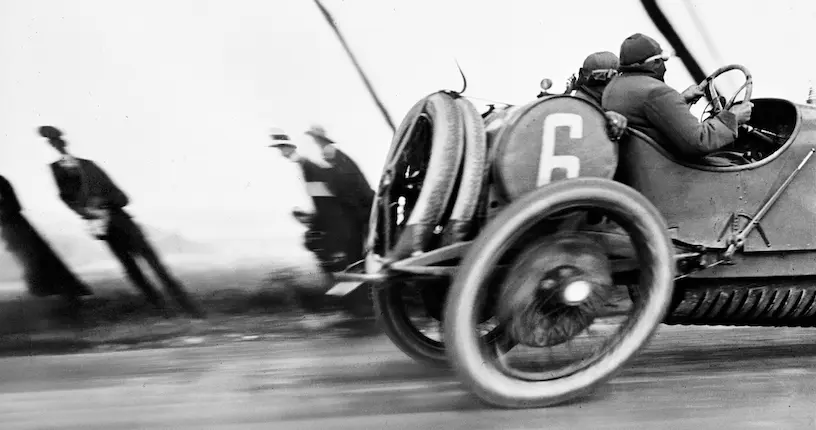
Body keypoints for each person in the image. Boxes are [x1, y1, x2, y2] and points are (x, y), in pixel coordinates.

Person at [37, 125, 204, 318]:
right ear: (50, 145)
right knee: (132, 270)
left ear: (65, 142)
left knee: (156, 265)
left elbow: (121, 196)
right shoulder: (56, 170)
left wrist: (105, 201)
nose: (58, 145)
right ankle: (162, 310)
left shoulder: (90, 166)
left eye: (59, 141)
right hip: (104, 228)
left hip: (123, 221)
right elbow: (66, 198)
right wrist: (85, 212)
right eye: (53, 142)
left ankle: (188, 307)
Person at [602, 33, 753, 159]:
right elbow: (700, 141)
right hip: (673, 172)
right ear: (654, 62)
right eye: (662, 60)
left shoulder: (614, 87)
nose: (664, 67)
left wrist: (680, 100)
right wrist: (732, 118)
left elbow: (648, 115)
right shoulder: (658, 92)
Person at [0, 173, 92, 306]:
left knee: (35, 261)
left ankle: (63, 297)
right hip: (12, 227)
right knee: (33, 261)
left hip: (15, 226)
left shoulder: (1, 182)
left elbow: (13, 206)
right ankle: (60, 297)